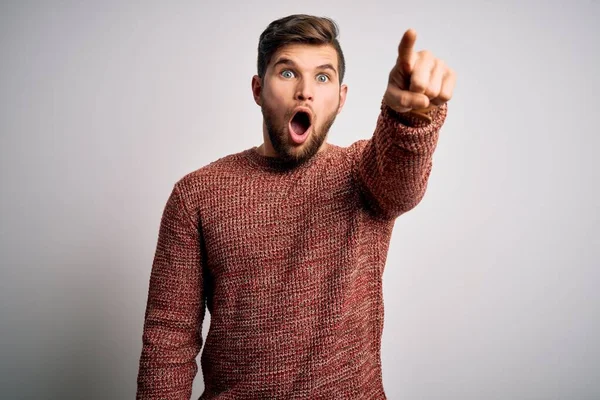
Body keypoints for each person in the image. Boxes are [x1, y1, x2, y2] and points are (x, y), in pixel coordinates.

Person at [136, 13, 455, 399]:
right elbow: (169, 338)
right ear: (257, 89)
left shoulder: (361, 174)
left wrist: (409, 120)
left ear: (340, 98)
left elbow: (400, 183)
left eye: (323, 77)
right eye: (287, 73)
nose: (305, 90)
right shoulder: (196, 195)